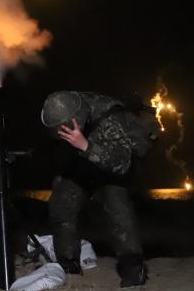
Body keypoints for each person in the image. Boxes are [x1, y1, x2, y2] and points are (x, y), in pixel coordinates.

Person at [40, 90, 154, 288]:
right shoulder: (67, 105)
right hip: (88, 154)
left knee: (117, 207)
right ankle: (68, 264)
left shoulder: (112, 119)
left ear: (76, 121)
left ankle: (133, 269)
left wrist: (85, 146)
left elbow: (122, 163)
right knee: (62, 203)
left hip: (117, 161)